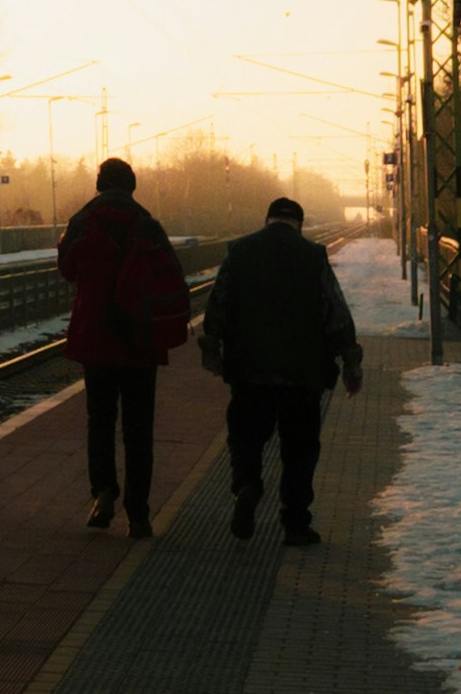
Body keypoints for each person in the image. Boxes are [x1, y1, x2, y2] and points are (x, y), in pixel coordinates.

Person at [198, 195, 361, 547]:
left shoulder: (239, 252)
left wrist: (212, 348)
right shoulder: (312, 255)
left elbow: (218, 306)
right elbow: (334, 311)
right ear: (298, 224)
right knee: (300, 449)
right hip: (302, 374)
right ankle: (296, 524)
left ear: (267, 219)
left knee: (245, 437)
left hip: (249, 371)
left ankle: (247, 485)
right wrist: (350, 359)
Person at [54, 155, 189, 534]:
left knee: (99, 421)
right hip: (139, 340)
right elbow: (170, 276)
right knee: (139, 428)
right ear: (132, 186)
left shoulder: (83, 222)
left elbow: (67, 269)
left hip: (96, 339)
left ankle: (103, 492)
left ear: (99, 185)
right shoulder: (147, 224)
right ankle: (139, 513)